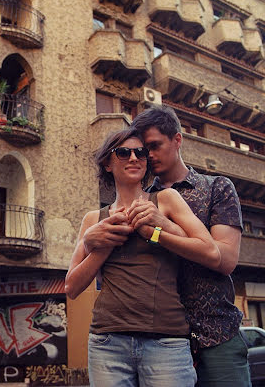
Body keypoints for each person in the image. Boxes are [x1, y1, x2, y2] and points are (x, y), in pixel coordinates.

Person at [65, 128, 220, 387]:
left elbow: (210, 251)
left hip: (166, 340)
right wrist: (100, 246)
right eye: (124, 152)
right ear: (107, 163)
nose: (134, 158)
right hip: (107, 342)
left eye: (141, 153)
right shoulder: (93, 220)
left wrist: (160, 227)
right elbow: (71, 287)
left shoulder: (167, 199)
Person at [130, 105, 251, 387]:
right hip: (161, 343)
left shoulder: (217, 188)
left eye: (154, 145)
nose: (149, 155)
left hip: (217, 333)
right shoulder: (141, 201)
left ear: (177, 139)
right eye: (143, 149)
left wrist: (164, 228)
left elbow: (225, 259)